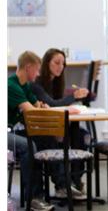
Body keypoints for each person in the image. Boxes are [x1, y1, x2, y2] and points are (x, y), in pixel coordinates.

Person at [31, 48, 90, 195]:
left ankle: (75, 180)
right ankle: (63, 185)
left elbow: (56, 104)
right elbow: (53, 104)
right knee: (56, 138)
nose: (60, 66)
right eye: (56, 63)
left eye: (63, 63)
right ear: (46, 64)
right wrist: (74, 96)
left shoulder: (56, 83)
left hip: (54, 125)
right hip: (42, 128)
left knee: (80, 135)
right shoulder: (37, 84)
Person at [8, 51, 54, 211]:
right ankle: (32, 197)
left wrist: (40, 106)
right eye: (37, 69)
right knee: (28, 146)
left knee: (46, 139)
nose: (39, 73)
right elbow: (32, 111)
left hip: (13, 130)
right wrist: (38, 106)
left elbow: (37, 105)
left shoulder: (24, 85)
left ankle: (61, 185)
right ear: (28, 67)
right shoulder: (11, 85)